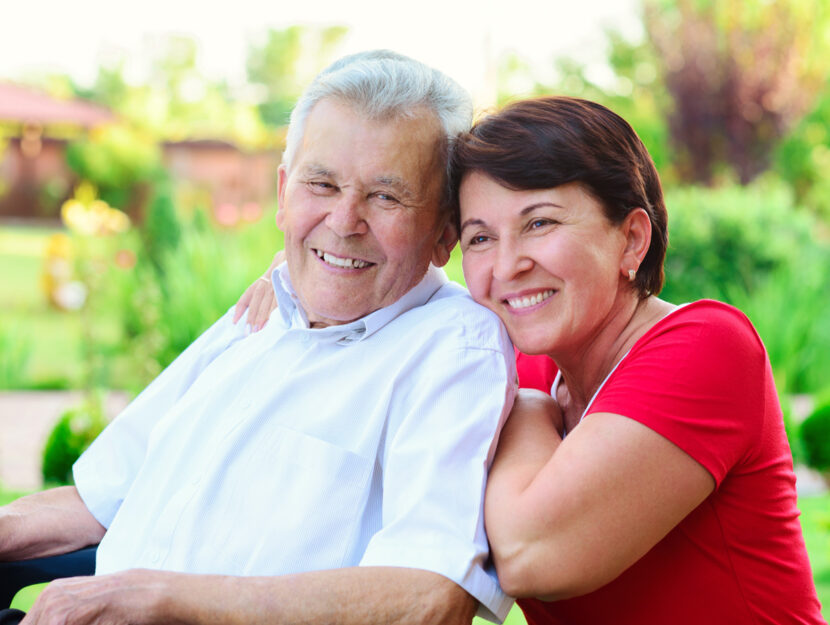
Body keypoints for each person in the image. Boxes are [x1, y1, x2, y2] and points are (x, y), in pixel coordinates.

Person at [237, 95, 824, 624]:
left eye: (539, 222)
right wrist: (295, 277)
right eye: (481, 238)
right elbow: (406, 307)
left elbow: (531, 555)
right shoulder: (530, 358)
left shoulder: (704, 346)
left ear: (633, 240)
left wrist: (528, 408)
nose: (508, 264)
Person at [0, 50, 517, 625]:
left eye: (386, 196)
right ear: (282, 193)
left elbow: (430, 593)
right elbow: (99, 498)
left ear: (445, 231)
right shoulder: (262, 311)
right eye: (321, 184)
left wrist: (162, 599)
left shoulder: (452, 348)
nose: (345, 221)